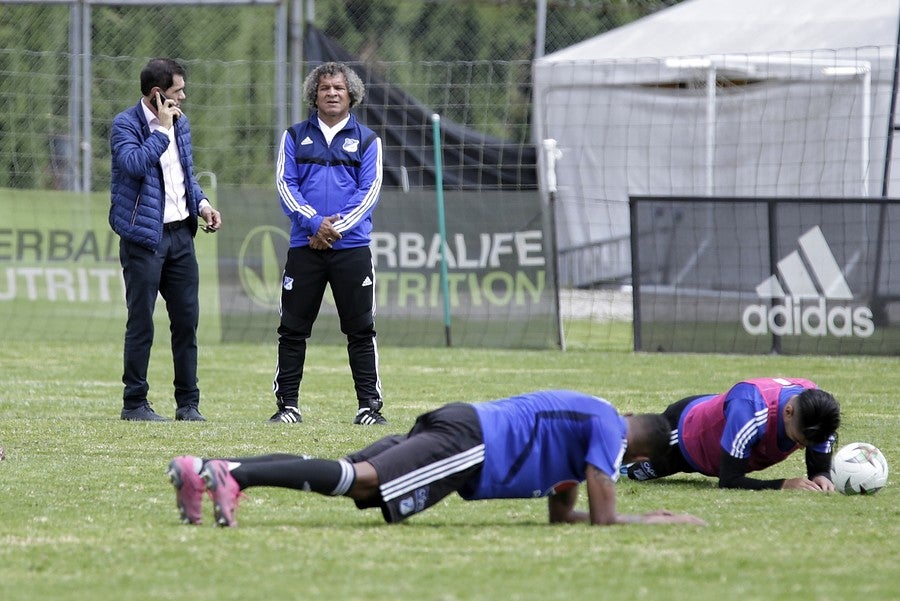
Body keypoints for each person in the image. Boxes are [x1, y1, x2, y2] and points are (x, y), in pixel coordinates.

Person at [166, 389, 707, 527]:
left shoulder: (593, 422)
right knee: (362, 480)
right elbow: (604, 517)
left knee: (359, 479)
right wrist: (654, 517)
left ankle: (208, 469)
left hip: (464, 424)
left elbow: (563, 513)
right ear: (636, 451)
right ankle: (233, 474)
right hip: (473, 443)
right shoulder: (609, 436)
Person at [270, 61, 384, 425]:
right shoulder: (293, 136)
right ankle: (287, 406)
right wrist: (314, 224)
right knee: (292, 329)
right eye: (325, 88)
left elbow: (369, 192)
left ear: (351, 94)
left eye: (338, 88)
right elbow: (286, 186)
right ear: (313, 95)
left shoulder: (368, 140)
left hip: (351, 249)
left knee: (361, 329)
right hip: (305, 247)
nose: (332, 93)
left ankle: (369, 407)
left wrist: (334, 230)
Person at [109, 58, 222, 422]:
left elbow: (185, 175)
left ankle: (188, 404)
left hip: (181, 237)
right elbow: (134, 166)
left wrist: (202, 204)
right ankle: (134, 404)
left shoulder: (182, 124)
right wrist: (160, 129)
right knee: (141, 322)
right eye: (178, 91)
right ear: (158, 94)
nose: (184, 97)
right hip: (144, 239)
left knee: (187, 322)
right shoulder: (125, 124)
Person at [623, 377, 841, 491]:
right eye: (798, 441)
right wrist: (784, 484)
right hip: (683, 435)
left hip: (720, 417)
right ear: (788, 411)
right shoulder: (751, 411)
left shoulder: (816, 407)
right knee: (624, 467)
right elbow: (729, 480)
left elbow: (821, 440)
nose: (802, 448)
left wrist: (820, 474)